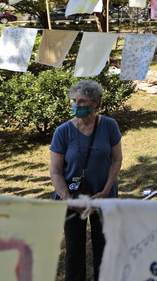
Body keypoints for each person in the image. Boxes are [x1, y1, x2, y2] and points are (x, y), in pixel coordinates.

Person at [49, 80, 123, 281]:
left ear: (96, 103)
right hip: (71, 198)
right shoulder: (62, 131)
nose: (76, 105)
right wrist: (67, 199)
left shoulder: (109, 125)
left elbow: (116, 159)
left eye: (81, 102)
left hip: (103, 195)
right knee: (74, 249)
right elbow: (55, 171)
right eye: (73, 101)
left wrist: (106, 191)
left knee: (103, 245)